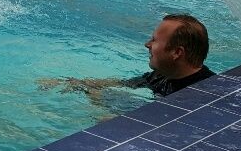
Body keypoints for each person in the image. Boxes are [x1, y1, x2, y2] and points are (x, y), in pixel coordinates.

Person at [39, 14, 214, 99]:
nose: (147, 44)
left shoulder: (202, 95)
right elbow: (124, 84)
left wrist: (100, 101)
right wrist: (76, 83)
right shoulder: (163, 75)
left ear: (177, 53)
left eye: (154, 40)